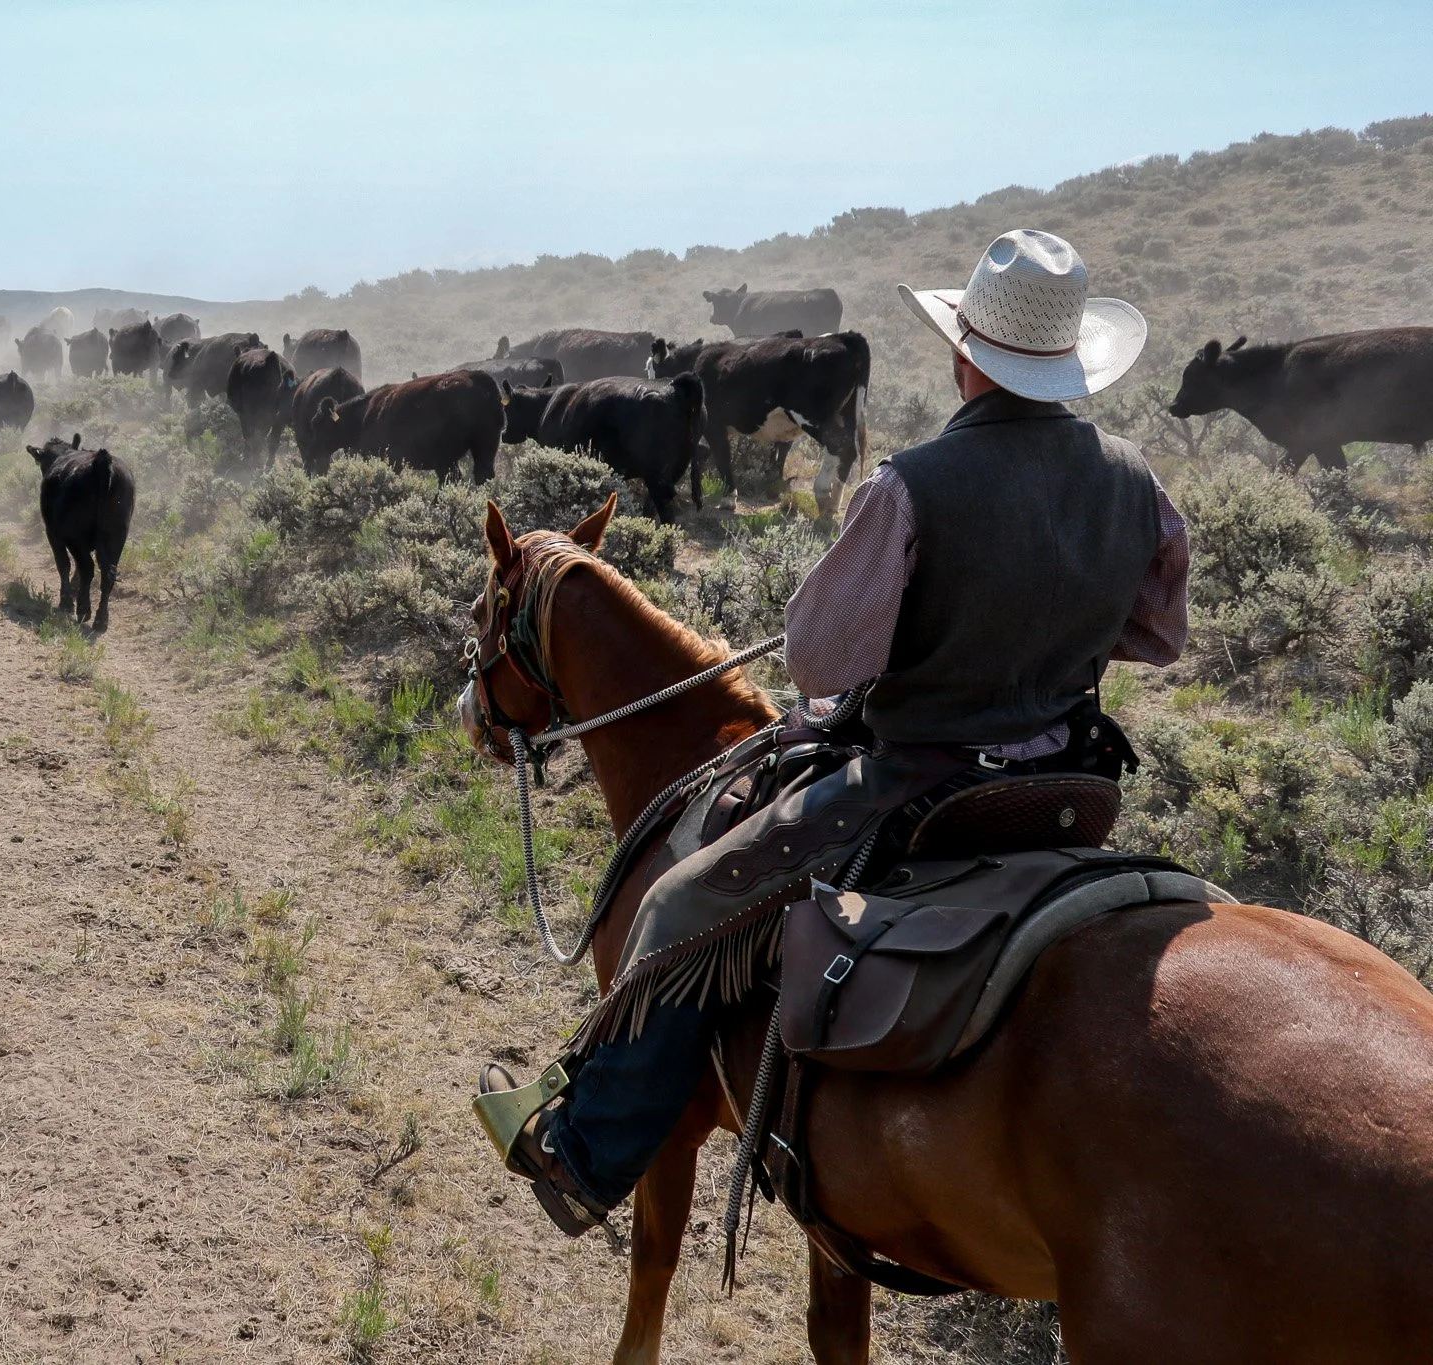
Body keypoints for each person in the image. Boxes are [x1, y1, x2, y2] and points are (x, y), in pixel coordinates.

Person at [482, 229, 1192, 1234]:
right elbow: (1156, 634)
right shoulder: (1135, 481)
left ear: (961, 354)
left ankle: (584, 1153)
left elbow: (820, 664)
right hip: (1071, 785)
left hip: (918, 782)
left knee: (680, 906)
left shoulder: (912, 484)